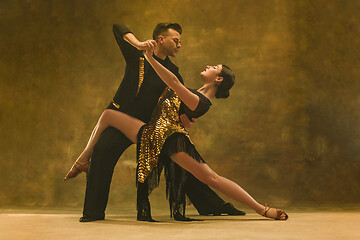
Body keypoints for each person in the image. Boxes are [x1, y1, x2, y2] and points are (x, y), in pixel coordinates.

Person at [66, 41, 289, 221]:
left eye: (214, 68)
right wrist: (183, 117)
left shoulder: (201, 101)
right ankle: (83, 161)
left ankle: (262, 209)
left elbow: (172, 81)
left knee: (212, 178)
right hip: (153, 132)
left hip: (169, 140)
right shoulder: (195, 96)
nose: (209, 66)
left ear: (218, 79)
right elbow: (175, 107)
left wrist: (150, 57)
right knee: (108, 115)